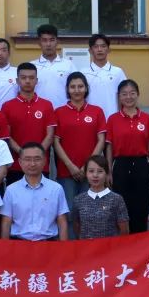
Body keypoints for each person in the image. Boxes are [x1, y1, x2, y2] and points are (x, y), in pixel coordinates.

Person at [106, 79, 149, 233]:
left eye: (132, 93)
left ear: (138, 95)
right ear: (119, 96)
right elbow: (109, 147)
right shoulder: (113, 119)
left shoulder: (147, 119)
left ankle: (140, 243)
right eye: (124, 94)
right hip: (120, 166)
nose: (128, 97)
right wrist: (109, 172)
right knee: (121, 210)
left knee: (141, 209)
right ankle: (123, 244)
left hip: (142, 166)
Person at [52, 72, 107, 207]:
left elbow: (101, 140)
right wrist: (71, 166)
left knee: (90, 211)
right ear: (67, 89)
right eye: (73, 87)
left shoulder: (97, 111)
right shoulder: (58, 112)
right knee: (69, 211)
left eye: (80, 86)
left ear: (86, 88)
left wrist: (87, 167)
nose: (77, 90)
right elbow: (55, 142)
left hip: (92, 172)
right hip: (66, 171)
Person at [0, 142, 69, 241]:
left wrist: (64, 247)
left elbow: (62, 221)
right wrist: (5, 247)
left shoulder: (56, 189)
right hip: (19, 243)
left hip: (49, 243)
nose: (32, 164)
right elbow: (6, 221)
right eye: (27, 159)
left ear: (44, 161)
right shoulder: (11, 190)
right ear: (20, 162)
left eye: (37, 159)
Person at [0, 62, 55, 185]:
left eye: (31, 78)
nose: (28, 81)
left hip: (41, 164)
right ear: (17, 81)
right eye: (23, 78)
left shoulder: (47, 105)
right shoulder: (7, 106)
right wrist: (23, 154)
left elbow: (50, 135)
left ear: (36, 81)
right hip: (16, 164)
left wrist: (37, 155)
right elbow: (7, 136)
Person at [69, 155, 129, 239]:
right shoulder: (78, 200)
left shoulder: (116, 199)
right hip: (86, 246)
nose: (95, 175)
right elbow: (76, 226)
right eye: (91, 171)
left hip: (110, 246)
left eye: (100, 171)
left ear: (106, 174)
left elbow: (124, 230)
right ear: (86, 174)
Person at [31, 23, 77, 108]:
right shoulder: (32, 66)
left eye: (52, 40)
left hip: (64, 112)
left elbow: (77, 90)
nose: (48, 44)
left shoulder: (68, 65)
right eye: (44, 40)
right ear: (39, 43)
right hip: (39, 112)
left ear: (57, 41)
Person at [82, 33, 126, 118]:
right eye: (96, 46)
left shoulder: (118, 72)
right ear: (90, 51)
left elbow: (124, 97)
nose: (100, 49)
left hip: (112, 119)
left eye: (103, 46)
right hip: (89, 119)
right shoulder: (83, 73)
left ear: (109, 50)